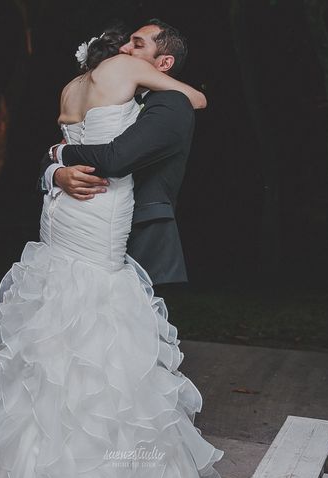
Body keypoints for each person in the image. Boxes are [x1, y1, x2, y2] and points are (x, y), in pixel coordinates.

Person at [0, 21, 223, 478]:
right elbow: (198, 99)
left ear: (162, 59)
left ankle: (35, 448)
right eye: (128, 42)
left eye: (140, 43)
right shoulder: (128, 72)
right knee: (98, 312)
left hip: (62, 214)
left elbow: (71, 144)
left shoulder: (72, 87)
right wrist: (57, 166)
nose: (131, 47)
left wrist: (56, 162)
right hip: (99, 206)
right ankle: (96, 447)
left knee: (55, 315)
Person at [41, 19, 198, 286]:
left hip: (131, 224)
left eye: (137, 45)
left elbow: (115, 158)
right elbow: (59, 152)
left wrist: (60, 154)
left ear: (164, 64)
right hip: (80, 204)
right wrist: (55, 173)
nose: (125, 49)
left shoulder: (172, 103)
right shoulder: (110, 89)